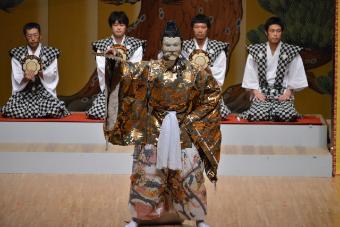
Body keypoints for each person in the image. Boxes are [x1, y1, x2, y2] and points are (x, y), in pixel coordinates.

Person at [104, 21, 221, 227]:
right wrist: (114, 59)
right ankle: (138, 217)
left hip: (183, 128)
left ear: (181, 46)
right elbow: (128, 72)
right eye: (167, 46)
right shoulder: (151, 69)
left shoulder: (193, 71)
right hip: (154, 127)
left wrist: (192, 118)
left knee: (190, 175)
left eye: (175, 45)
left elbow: (212, 92)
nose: (171, 50)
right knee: (147, 175)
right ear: (161, 45)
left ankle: (199, 219)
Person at [239, 16, 308, 121]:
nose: (275, 34)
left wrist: (288, 92)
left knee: (286, 116)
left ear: (282, 32)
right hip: (262, 92)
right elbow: (250, 73)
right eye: (272, 31)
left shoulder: (291, 51)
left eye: (278, 31)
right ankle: (260, 112)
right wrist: (256, 92)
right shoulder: (256, 51)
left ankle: (279, 112)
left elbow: (296, 74)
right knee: (258, 115)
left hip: (282, 92)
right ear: (266, 33)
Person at [1, 22, 69, 118]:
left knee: (54, 110)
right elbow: (17, 77)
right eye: (29, 36)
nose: (33, 39)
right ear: (25, 37)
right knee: (10, 111)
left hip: (43, 92)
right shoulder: (17, 53)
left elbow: (52, 75)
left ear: (40, 36)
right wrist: (25, 78)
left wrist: (41, 73)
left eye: (35, 35)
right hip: (24, 92)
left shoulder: (51, 53)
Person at [86, 11, 145, 119]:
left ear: (126, 26)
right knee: (99, 112)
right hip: (110, 87)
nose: (118, 28)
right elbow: (101, 68)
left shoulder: (136, 44)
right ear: (111, 26)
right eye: (115, 25)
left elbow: (135, 66)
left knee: (134, 112)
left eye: (121, 25)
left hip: (128, 88)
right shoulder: (102, 45)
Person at [182, 13, 231, 119]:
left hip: (210, 91)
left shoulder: (218, 47)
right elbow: (182, 69)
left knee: (219, 113)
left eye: (203, 27)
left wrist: (208, 70)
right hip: (190, 91)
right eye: (197, 27)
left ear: (207, 29)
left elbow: (219, 72)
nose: (200, 30)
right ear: (193, 29)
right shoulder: (184, 46)